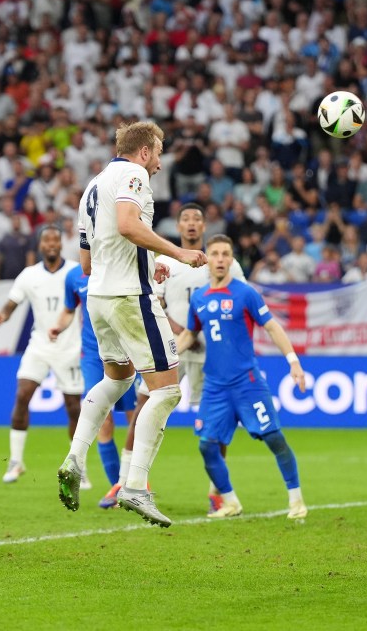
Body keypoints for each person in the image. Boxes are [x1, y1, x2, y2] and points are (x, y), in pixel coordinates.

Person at [56, 121, 206, 528]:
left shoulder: (94, 184)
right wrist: (177, 252)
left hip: (99, 298)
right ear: (143, 152)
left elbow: (87, 260)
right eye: (157, 152)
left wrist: (146, 260)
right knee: (168, 390)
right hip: (128, 297)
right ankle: (135, 485)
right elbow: (126, 223)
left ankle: (74, 457)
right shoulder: (133, 174)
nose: (159, 162)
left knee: (118, 380)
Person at [120, 203, 247, 513]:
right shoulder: (165, 262)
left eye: (197, 219)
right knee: (144, 406)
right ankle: (125, 483)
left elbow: (240, 301)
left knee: (217, 421)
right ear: (178, 227)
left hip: (212, 355)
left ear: (204, 227)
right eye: (186, 219)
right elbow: (152, 303)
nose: (191, 224)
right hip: (172, 347)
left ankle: (217, 491)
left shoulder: (222, 262)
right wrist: (183, 328)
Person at [176, 234, 308, 520]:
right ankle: (230, 501)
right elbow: (189, 334)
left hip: (246, 383)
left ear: (232, 259)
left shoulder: (245, 293)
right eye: (215, 254)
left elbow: (272, 328)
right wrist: (168, 354)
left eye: (226, 254)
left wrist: (293, 362)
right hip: (214, 386)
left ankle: (296, 500)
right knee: (207, 445)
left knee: (273, 437)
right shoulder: (199, 298)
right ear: (207, 259)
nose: (220, 259)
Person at [0, 226, 83, 484]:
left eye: (56, 239)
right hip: (39, 345)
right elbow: (13, 303)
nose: (52, 243)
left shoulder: (74, 271)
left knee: (74, 409)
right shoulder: (29, 275)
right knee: (22, 395)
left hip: (70, 347)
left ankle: (78, 466)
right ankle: (16, 461)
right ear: (40, 246)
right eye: (47, 240)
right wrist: (3, 315)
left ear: (60, 244)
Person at [49, 261, 138, 509]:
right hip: (93, 356)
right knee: (104, 420)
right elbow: (69, 309)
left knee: (136, 419)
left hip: (127, 351)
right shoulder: (74, 276)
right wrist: (58, 325)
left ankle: (137, 481)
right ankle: (118, 488)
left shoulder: (120, 266)